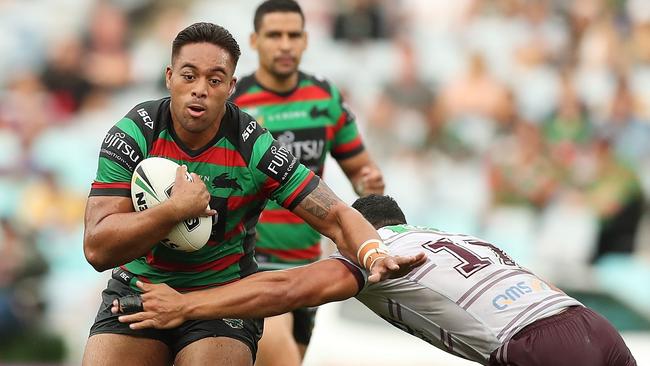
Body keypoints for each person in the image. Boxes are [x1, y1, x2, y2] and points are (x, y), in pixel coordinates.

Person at [82, 23, 415, 366]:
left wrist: (374, 252)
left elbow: (336, 215)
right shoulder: (134, 133)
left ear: (230, 87)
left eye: (214, 80)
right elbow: (97, 249)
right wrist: (174, 209)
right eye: (188, 76)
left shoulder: (255, 147)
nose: (199, 90)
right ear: (169, 77)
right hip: (139, 288)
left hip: (222, 297)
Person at [114, 195, 637, 366]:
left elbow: (285, 290)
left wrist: (187, 305)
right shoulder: (454, 236)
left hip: (537, 346)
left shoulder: (374, 257)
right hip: (593, 326)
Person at [230, 1, 385, 364]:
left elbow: (363, 175)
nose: (284, 44)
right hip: (254, 262)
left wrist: (370, 185)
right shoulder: (236, 104)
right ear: (255, 41)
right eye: (274, 35)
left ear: (305, 40)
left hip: (309, 267)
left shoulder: (325, 98)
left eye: (292, 35)